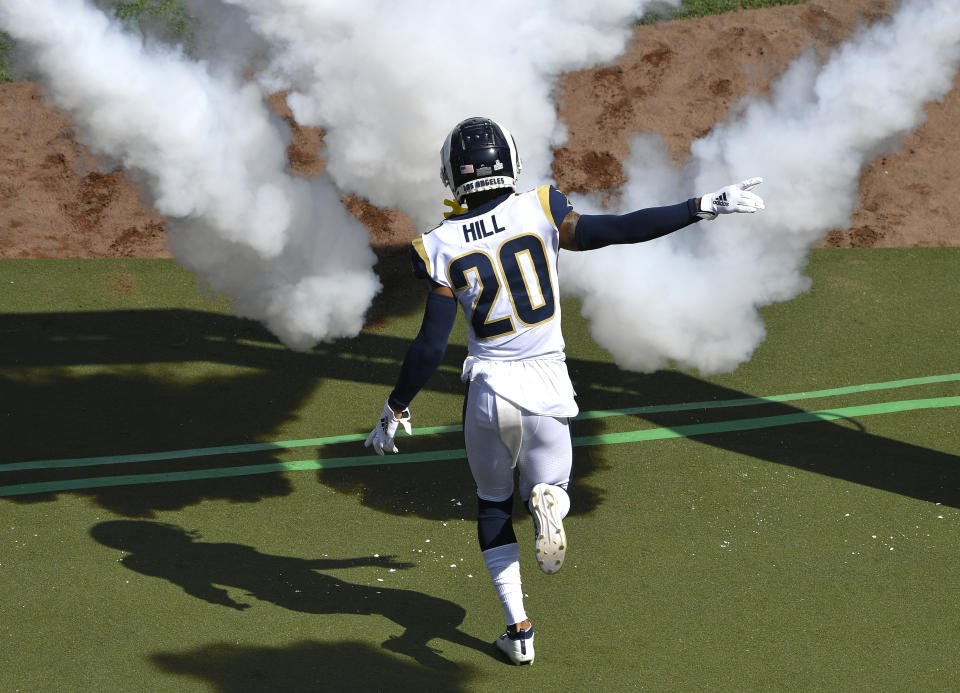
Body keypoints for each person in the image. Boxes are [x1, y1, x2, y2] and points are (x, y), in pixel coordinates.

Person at [364, 116, 764, 665]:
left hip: (487, 391)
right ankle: (549, 498)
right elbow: (618, 229)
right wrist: (702, 205)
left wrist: (395, 406)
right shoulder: (543, 207)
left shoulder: (439, 244)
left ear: (453, 176)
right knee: (553, 483)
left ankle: (519, 630)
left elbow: (430, 346)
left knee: (491, 504)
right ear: (510, 163)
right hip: (548, 382)